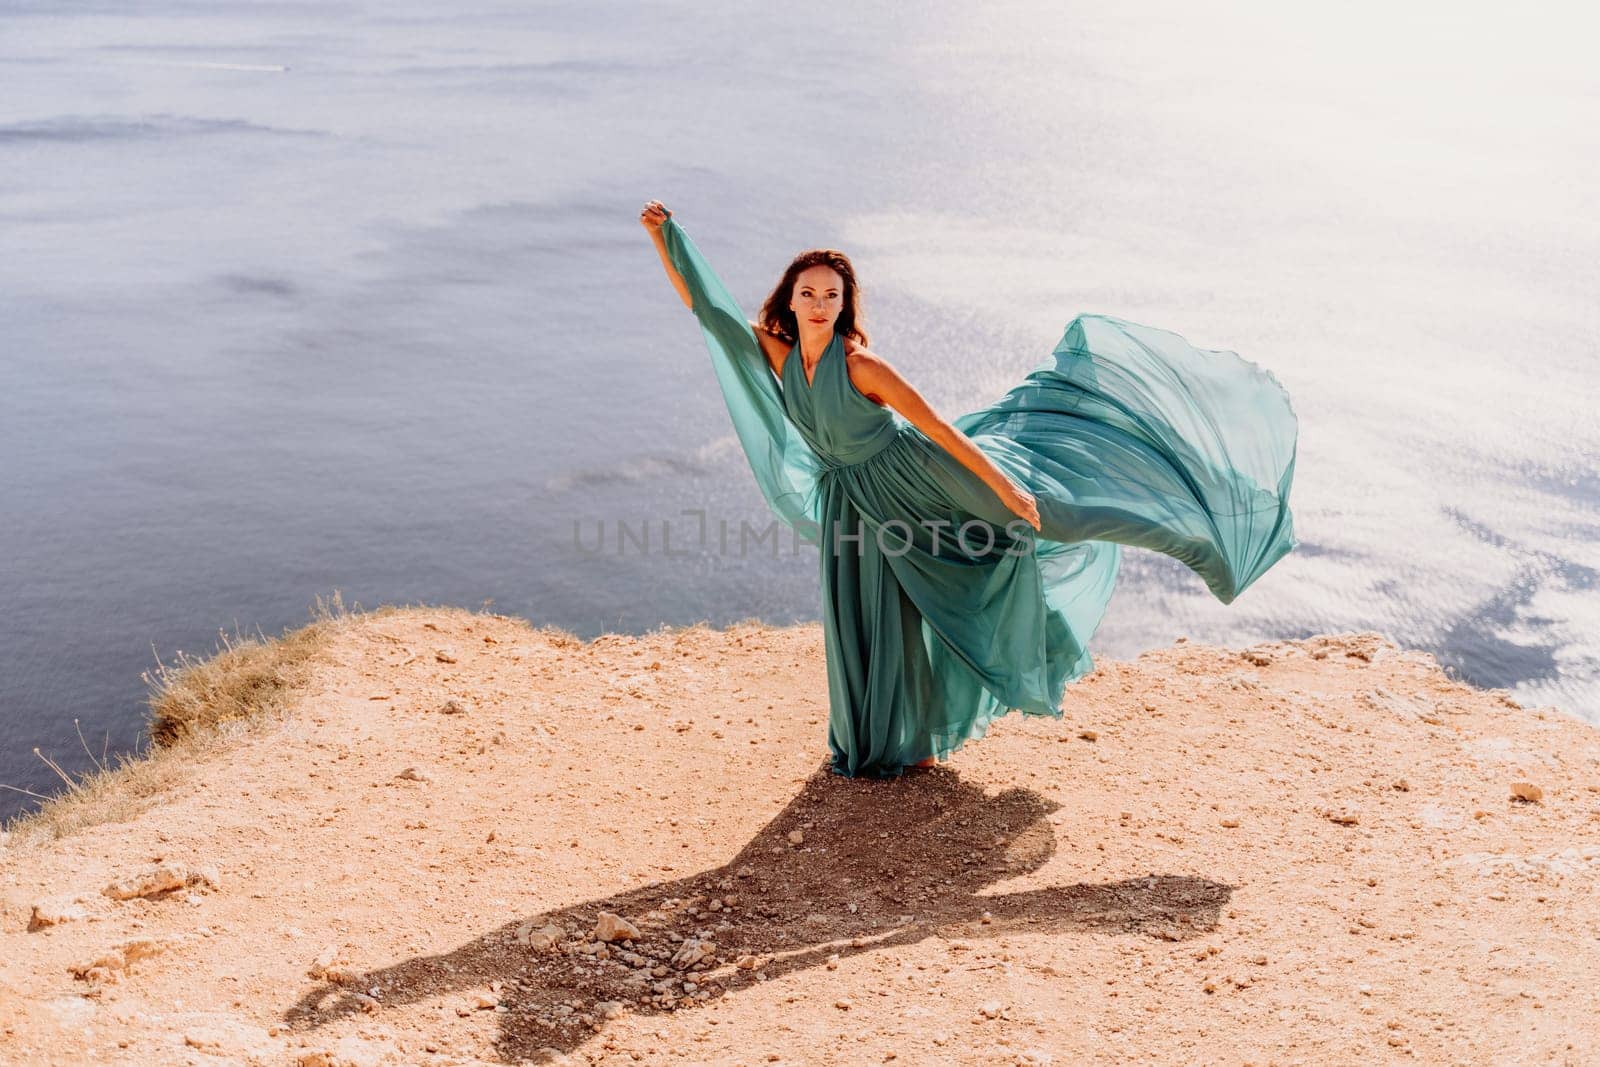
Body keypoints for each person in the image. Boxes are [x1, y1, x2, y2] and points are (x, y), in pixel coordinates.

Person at [639, 199, 1298, 779]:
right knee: (863, 613)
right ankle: (890, 745)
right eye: (809, 293)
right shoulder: (779, 355)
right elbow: (709, 310)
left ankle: (1202, 532)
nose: (819, 304)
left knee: (1036, 527)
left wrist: (1006, 488)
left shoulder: (863, 366)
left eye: (831, 296)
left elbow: (938, 430)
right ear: (789, 298)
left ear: (845, 304)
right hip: (853, 499)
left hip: (916, 483)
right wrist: (667, 241)